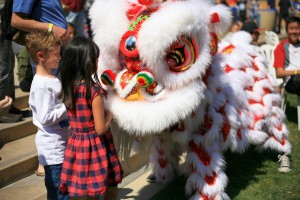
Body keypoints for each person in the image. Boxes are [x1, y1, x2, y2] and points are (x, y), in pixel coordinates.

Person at [59, 37, 123, 200]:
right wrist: (109, 114)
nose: (97, 62)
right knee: (103, 187)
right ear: (88, 62)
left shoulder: (68, 87)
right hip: (96, 147)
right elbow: (100, 129)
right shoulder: (94, 92)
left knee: (83, 189)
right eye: (96, 59)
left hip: (76, 146)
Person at [25, 30, 69, 199]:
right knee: (59, 193)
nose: (59, 58)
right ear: (41, 55)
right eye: (55, 54)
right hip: (53, 150)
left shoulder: (51, 78)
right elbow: (45, 117)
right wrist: (68, 106)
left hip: (60, 144)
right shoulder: (42, 85)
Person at [12, 0, 69, 75]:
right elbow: (16, 21)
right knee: (47, 85)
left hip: (57, 48)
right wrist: (51, 28)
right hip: (47, 50)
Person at [273, 16, 300, 173]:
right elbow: (279, 72)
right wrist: (297, 71)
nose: (295, 31)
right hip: (290, 81)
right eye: (292, 28)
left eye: (297, 28)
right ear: (287, 30)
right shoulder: (281, 47)